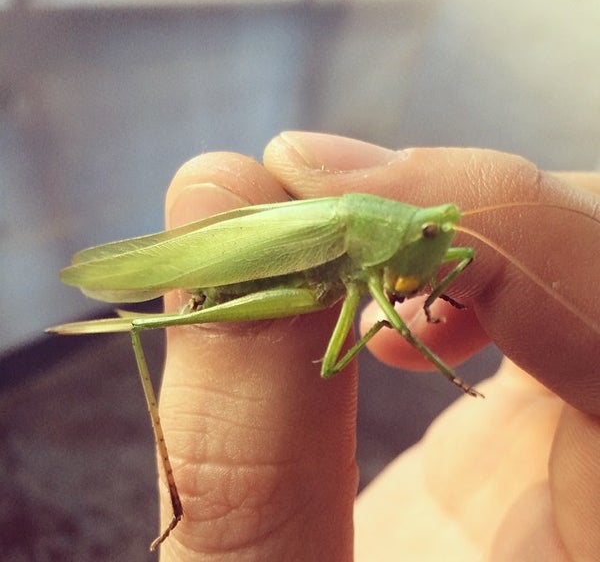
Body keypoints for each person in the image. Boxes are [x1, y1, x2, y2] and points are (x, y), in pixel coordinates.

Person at [157, 132, 600, 561]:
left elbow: (463, 258)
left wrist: (428, 299)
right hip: (246, 277)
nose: (435, 241)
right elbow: (338, 360)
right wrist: (443, 367)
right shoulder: (365, 231)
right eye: (428, 234)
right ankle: (180, 507)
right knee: (146, 325)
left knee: (460, 255)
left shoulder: (401, 231)